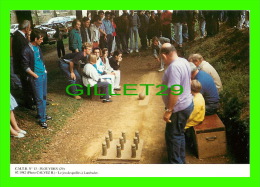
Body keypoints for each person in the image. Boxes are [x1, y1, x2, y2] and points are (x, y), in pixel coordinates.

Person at [160, 43, 194, 164]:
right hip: (186, 103)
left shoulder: (173, 67)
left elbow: (175, 90)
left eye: (161, 57)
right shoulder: (183, 61)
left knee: (173, 137)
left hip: (178, 109)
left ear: (165, 55)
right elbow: (189, 80)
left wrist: (169, 110)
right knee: (179, 134)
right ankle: (181, 161)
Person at [22, 30, 51, 129]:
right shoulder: (26, 50)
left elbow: (40, 59)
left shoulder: (38, 47)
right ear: (35, 39)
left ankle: (42, 114)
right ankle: (42, 120)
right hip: (36, 77)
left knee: (43, 96)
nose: (42, 41)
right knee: (39, 98)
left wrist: (45, 70)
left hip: (43, 74)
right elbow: (25, 67)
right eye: (41, 39)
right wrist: (35, 75)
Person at [12, 20, 35, 110]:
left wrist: (28, 36)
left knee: (28, 84)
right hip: (23, 66)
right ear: (26, 28)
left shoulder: (20, 36)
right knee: (26, 85)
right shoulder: (18, 37)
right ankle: (29, 103)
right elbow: (22, 53)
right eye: (29, 27)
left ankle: (31, 101)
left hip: (23, 65)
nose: (30, 29)